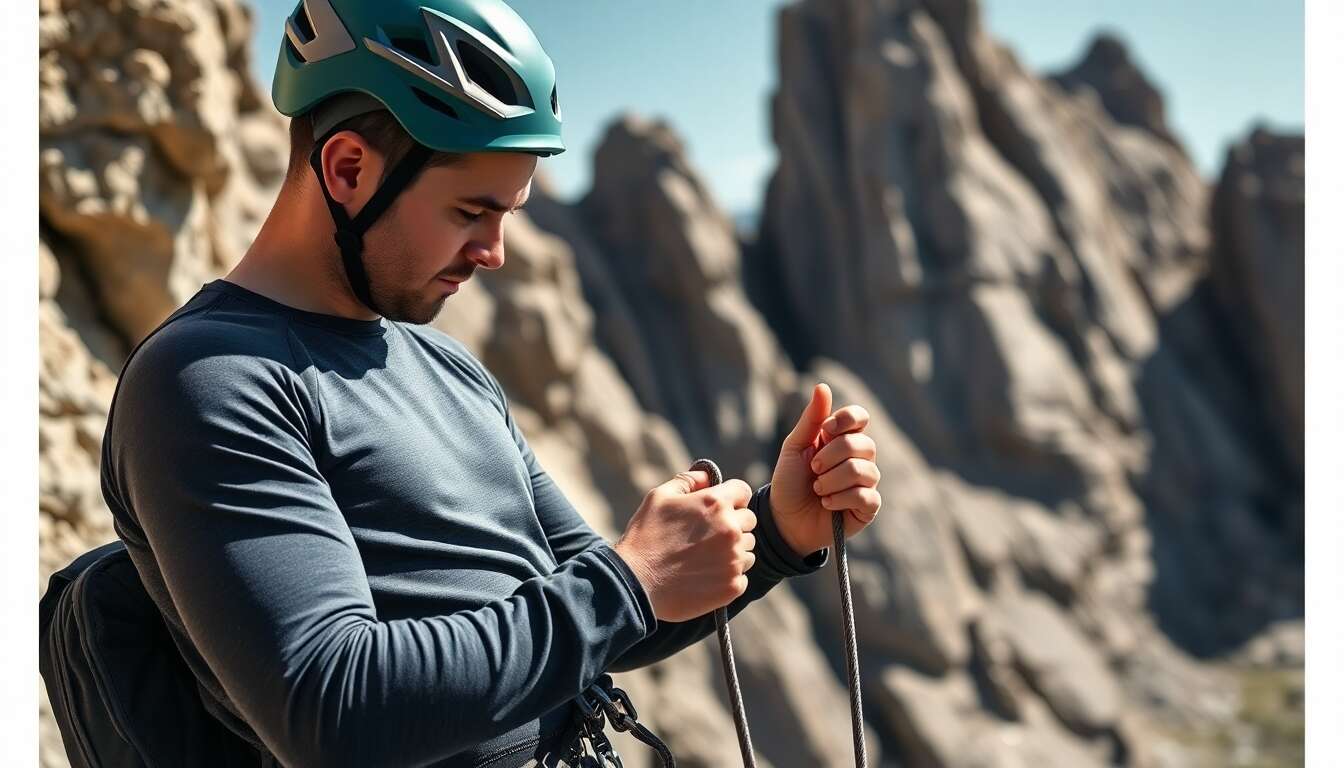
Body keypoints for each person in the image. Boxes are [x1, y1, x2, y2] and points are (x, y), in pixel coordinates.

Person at [99, 1, 883, 766]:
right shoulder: (211, 382)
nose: (494, 251)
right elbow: (332, 711)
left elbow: (612, 612)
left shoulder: (447, 370)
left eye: (510, 213)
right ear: (347, 169)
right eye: (472, 210)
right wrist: (630, 578)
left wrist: (779, 533)